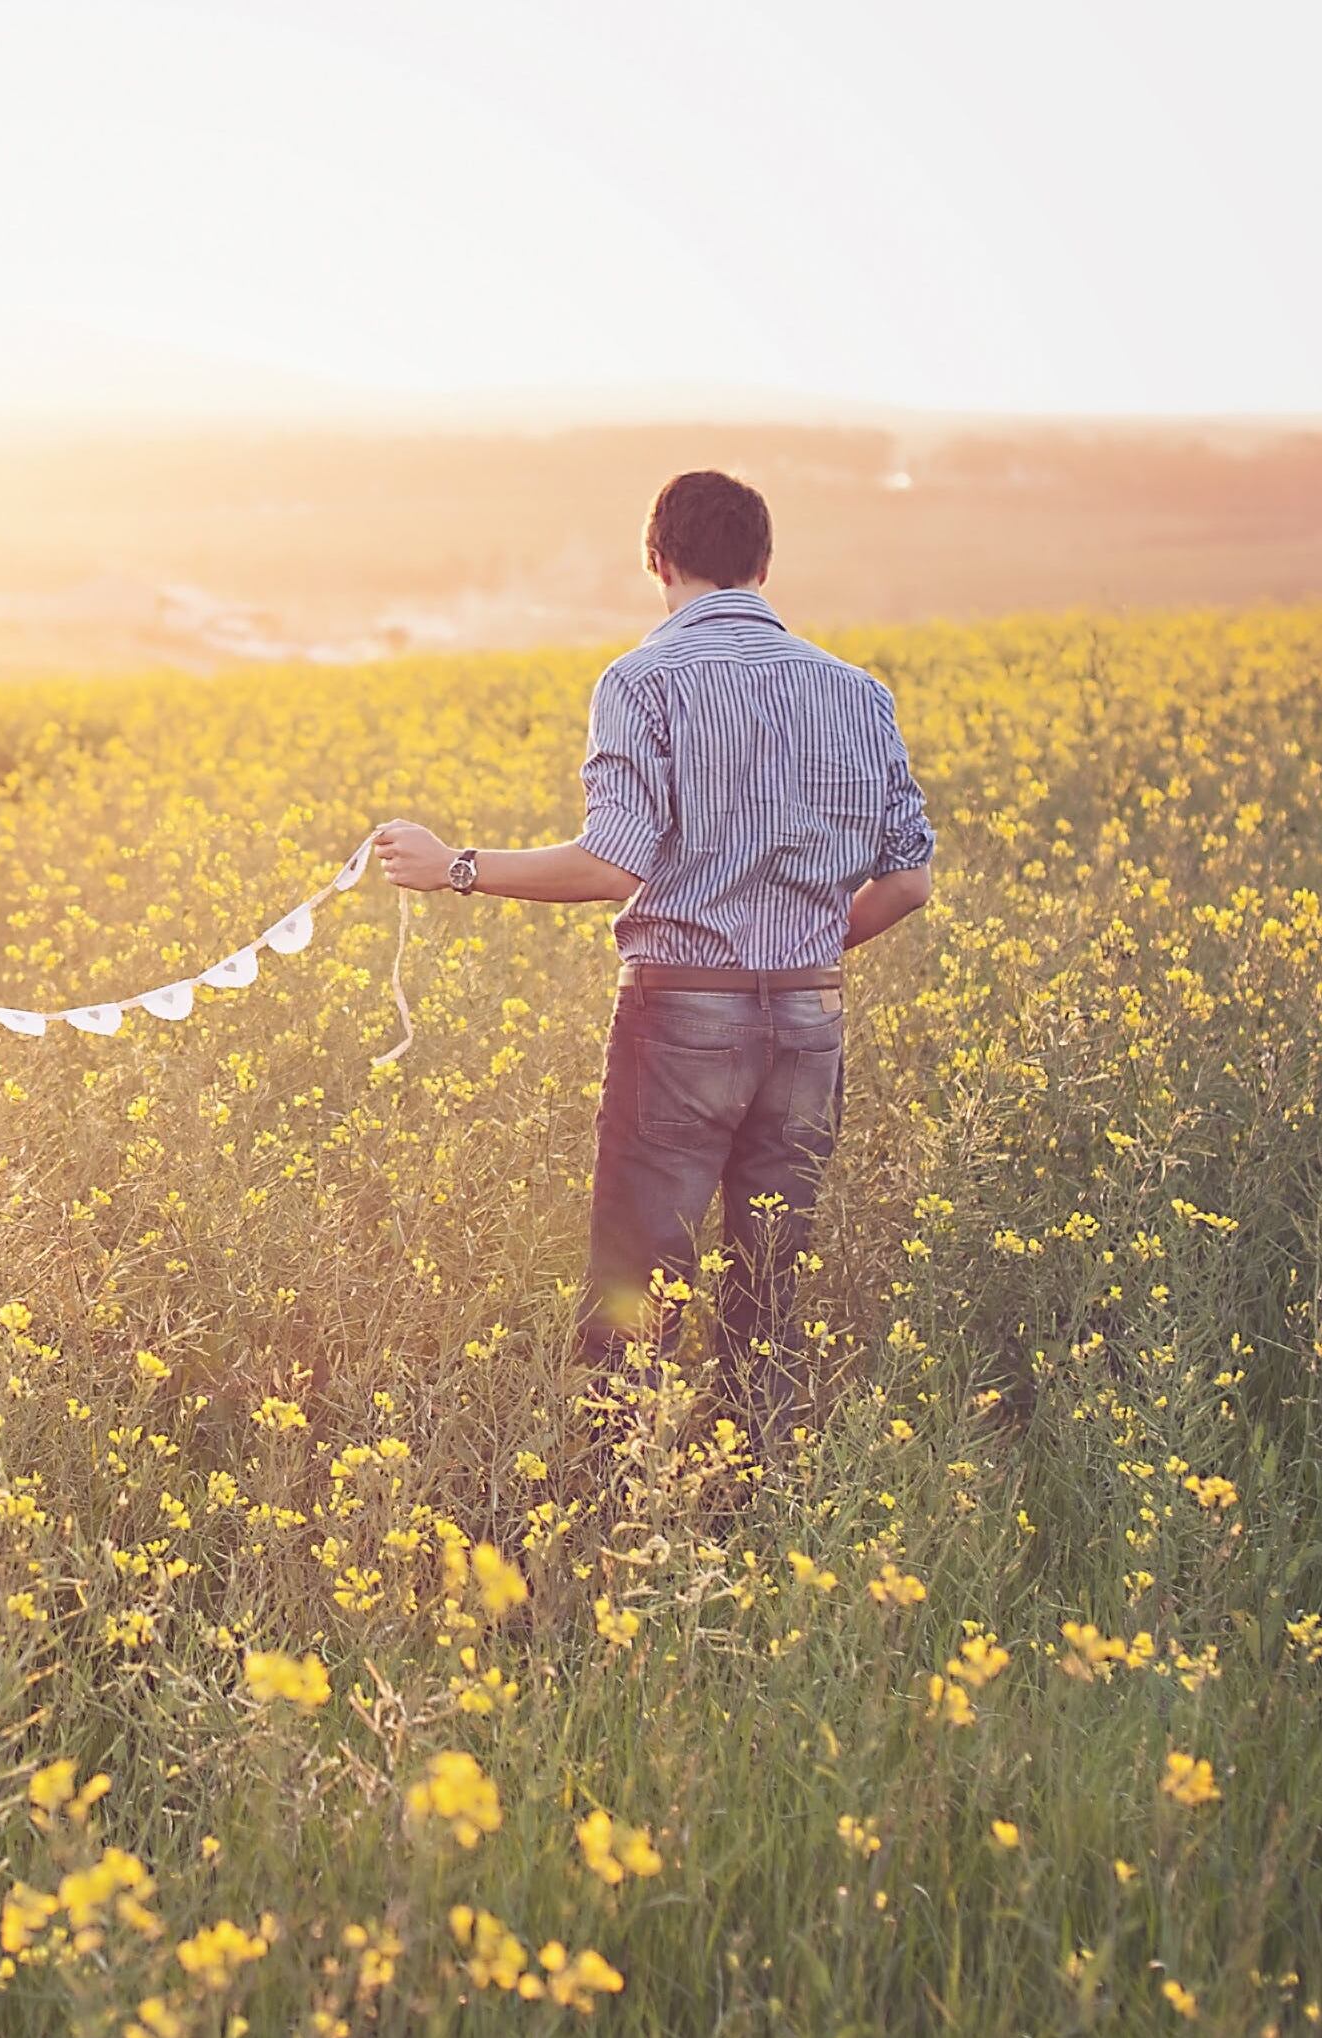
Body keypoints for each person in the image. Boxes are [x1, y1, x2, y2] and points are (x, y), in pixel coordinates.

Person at [373, 468, 933, 1439]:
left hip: (682, 1021)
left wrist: (452, 865)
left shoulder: (643, 681)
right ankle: (752, 1518)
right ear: (763, 564)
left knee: (639, 1294)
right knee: (768, 1295)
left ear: (657, 562)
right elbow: (910, 880)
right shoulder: (858, 692)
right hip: (810, 1021)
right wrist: (797, 946)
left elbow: (612, 861)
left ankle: (620, 1513)